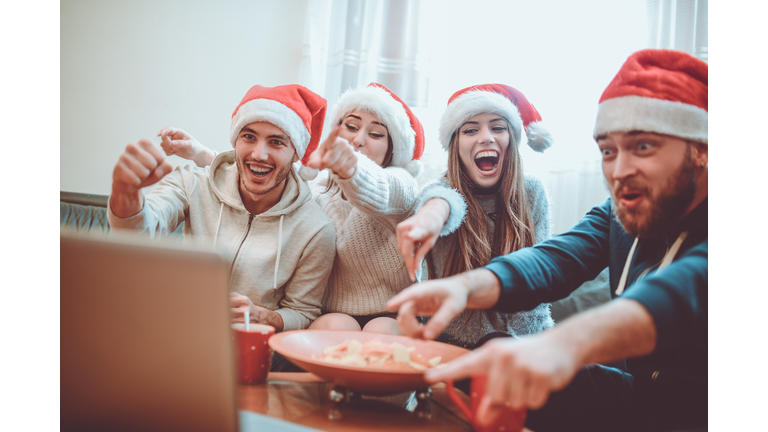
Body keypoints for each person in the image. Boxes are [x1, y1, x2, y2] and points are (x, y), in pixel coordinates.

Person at [387, 49, 708, 432]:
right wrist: (462, 287)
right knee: (489, 361)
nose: (620, 171)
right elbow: (552, 260)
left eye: (643, 147)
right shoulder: (620, 213)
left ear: (702, 149)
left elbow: (686, 288)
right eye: (608, 151)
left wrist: (561, 345)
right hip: (645, 398)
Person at [161, 83, 465, 334]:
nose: (358, 140)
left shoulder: (401, 185)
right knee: (333, 328)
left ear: (393, 148)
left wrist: (351, 168)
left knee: (381, 334)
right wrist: (203, 154)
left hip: (391, 314)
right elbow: (270, 168)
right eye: (350, 127)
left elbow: (379, 190)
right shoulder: (316, 187)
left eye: (375, 134)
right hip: (332, 312)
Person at [108, 84, 336, 333]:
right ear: (235, 140)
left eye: (276, 142)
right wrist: (125, 192)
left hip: (248, 350)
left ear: (295, 154)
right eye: (249, 137)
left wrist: (261, 315)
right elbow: (138, 234)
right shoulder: (193, 183)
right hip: (177, 331)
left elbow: (303, 313)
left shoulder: (316, 228)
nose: (259, 154)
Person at [396, 84, 556, 349]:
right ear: (455, 145)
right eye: (471, 130)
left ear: (512, 141)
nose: (486, 138)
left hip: (524, 344)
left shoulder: (532, 192)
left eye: (498, 127)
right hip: (454, 344)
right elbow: (441, 203)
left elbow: (539, 281)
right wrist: (431, 217)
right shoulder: (439, 191)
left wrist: (514, 344)